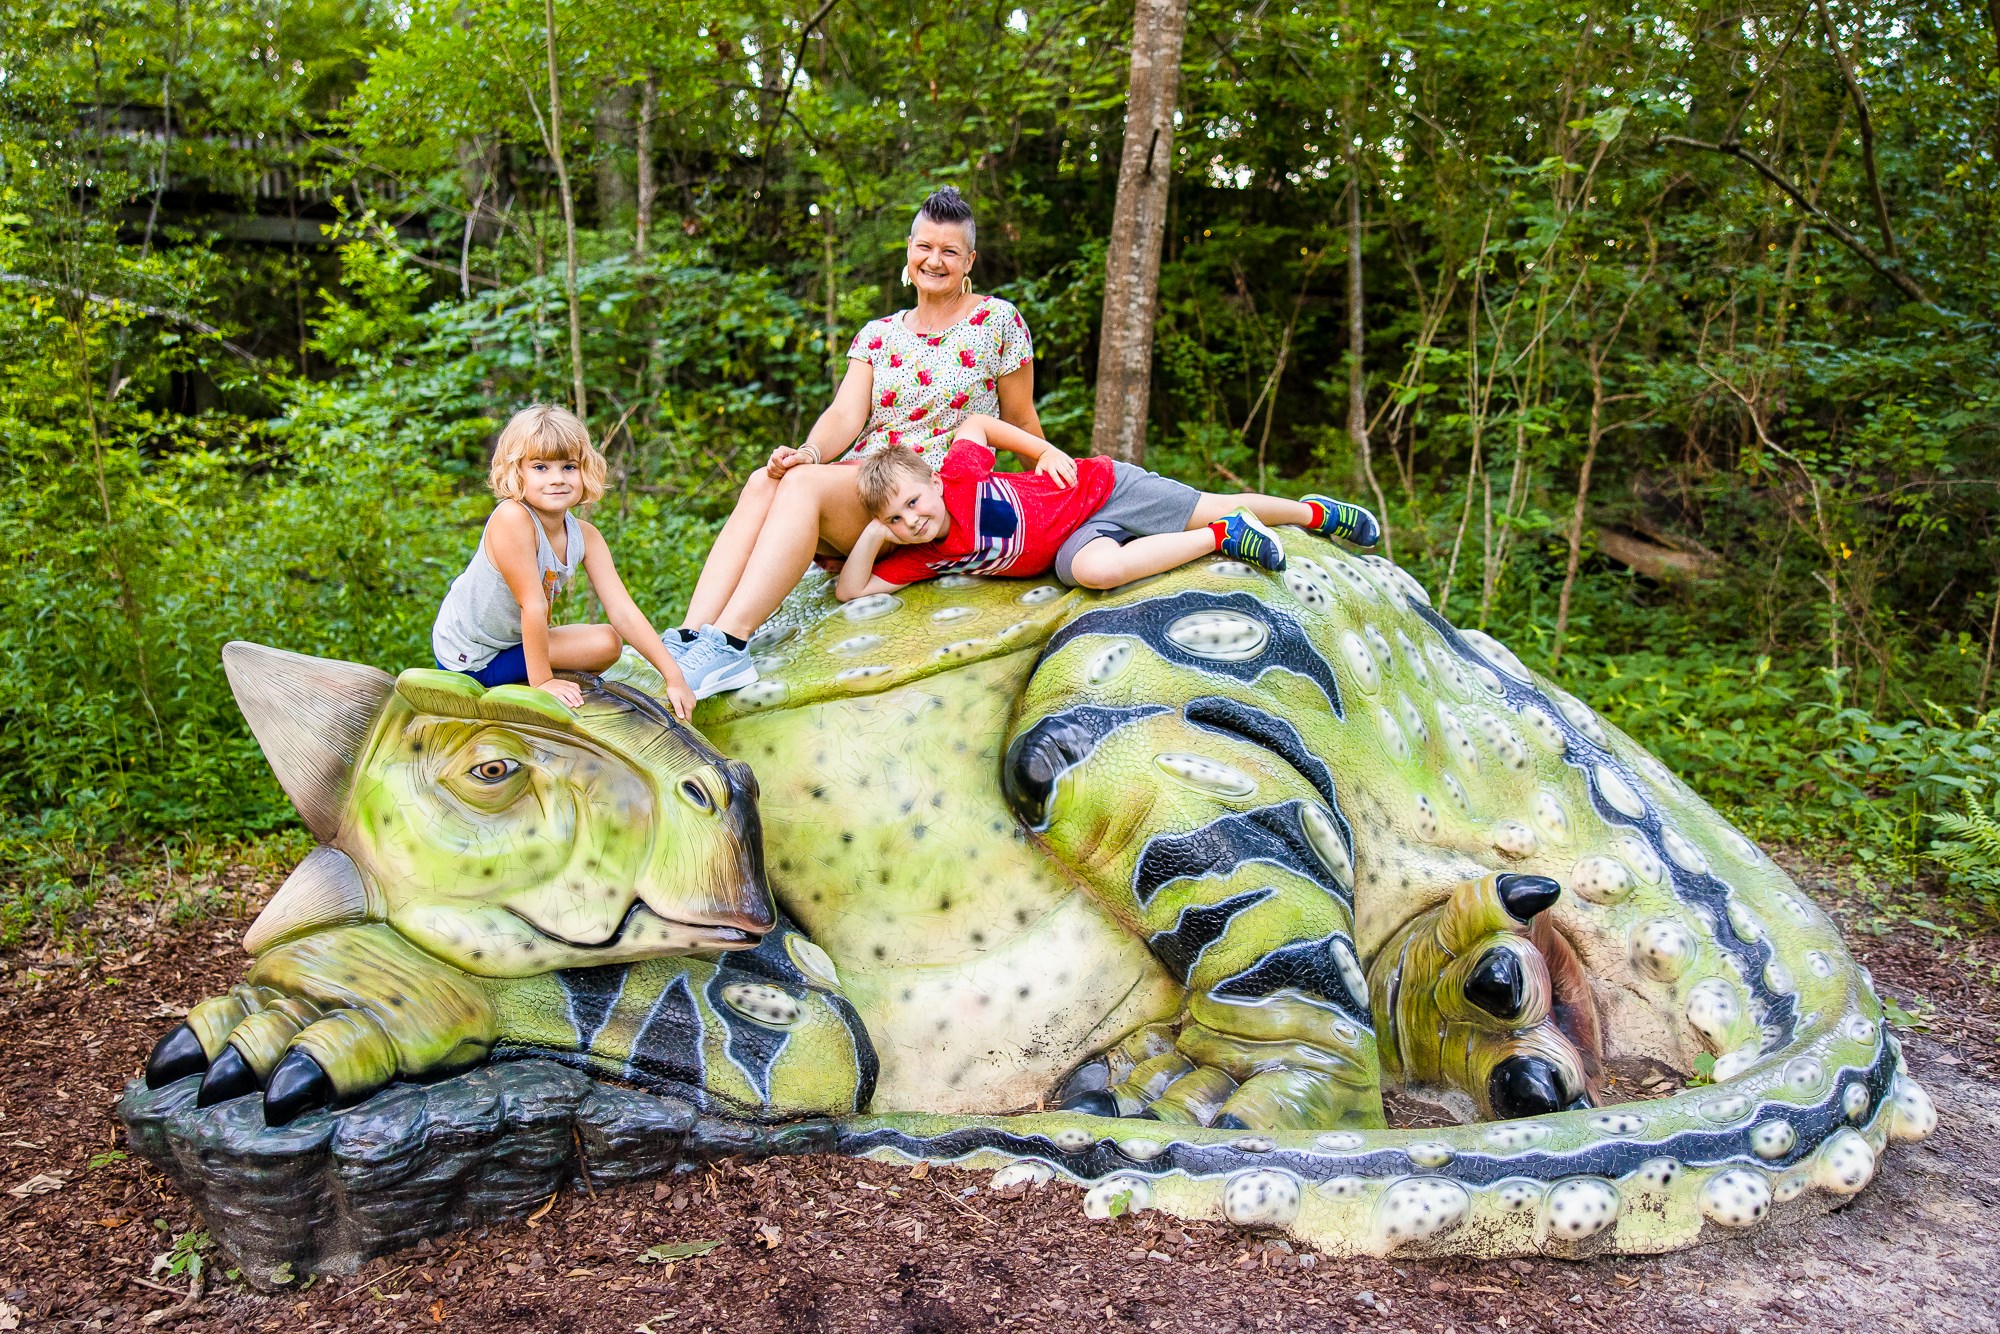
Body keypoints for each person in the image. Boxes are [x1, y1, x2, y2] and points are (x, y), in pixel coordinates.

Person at [669, 186, 1042, 699]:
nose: (935, 260)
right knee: (767, 479)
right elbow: (846, 413)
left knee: (801, 488)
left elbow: (1020, 417)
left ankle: (730, 644)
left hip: (932, 493)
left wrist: (1048, 499)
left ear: (969, 260)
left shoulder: (998, 321)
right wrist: (809, 454)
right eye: (925, 247)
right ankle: (691, 639)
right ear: (909, 250)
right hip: (868, 482)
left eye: (949, 251)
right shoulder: (878, 333)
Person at [836, 414, 1382, 599]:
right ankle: (1224, 537)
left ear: (931, 482)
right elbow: (850, 590)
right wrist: (876, 538)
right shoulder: (922, 556)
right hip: (1075, 544)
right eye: (895, 520)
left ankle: (1313, 514)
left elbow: (974, 425)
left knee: (1214, 500)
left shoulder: (956, 476)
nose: (912, 520)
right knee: (1097, 573)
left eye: (911, 502)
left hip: (1101, 489)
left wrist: (1044, 449)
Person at [432, 404, 697, 719]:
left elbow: (623, 612)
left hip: (514, 646)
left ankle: (526, 678)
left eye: (569, 466)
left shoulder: (586, 536)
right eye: (541, 467)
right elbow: (532, 606)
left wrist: (674, 676)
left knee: (607, 642)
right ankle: (529, 683)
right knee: (555, 641)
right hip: (472, 659)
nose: (557, 479)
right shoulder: (512, 518)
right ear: (517, 471)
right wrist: (543, 682)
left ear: (585, 470)